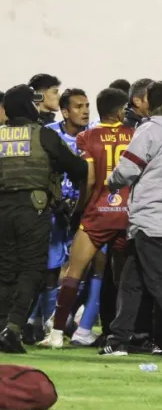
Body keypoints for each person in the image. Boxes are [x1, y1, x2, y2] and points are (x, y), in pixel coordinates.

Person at [98, 82, 162, 359]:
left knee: (157, 280)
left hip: (150, 212)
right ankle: (118, 339)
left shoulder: (150, 129)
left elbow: (128, 169)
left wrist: (111, 182)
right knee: (132, 280)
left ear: (147, 101)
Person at [38, 88, 135, 350]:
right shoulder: (134, 135)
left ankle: (57, 334)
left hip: (98, 213)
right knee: (124, 279)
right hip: (128, 215)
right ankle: (121, 337)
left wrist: (81, 207)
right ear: (120, 111)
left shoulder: (88, 136)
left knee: (73, 273)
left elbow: (90, 179)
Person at [0, 85, 87, 354]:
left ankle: (2, 325)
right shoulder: (43, 135)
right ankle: (12, 329)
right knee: (31, 269)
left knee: (5, 271)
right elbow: (78, 167)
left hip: (2, 210)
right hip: (33, 208)